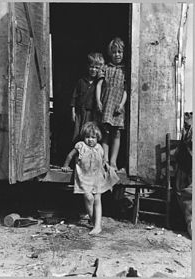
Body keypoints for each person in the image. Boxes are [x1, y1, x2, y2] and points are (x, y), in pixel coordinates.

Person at [62, 121, 119, 235]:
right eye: (87, 137)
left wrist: (106, 168)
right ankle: (93, 220)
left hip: (96, 176)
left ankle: (97, 226)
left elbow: (102, 160)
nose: (90, 140)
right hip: (84, 176)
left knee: (97, 199)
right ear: (84, 137)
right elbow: (70, 155)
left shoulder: (99, 148)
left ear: (97, 138)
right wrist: (65, 165)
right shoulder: (80, 146)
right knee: (88, 198)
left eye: (93, 137)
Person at [96, 37, 127, 172]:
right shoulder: (105, 68)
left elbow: (126, 90)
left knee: (117, 133)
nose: (117, 55)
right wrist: (98, 100)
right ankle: (105, 160)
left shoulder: (125, 70)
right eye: (114, 52)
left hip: (118, 106)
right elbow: (99, 85)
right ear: (110, 53)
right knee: (106, 132)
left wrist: (121, 104)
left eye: (119, 52)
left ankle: (113, 161)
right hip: (106, 104)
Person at [71, 53, 105, 143]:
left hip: (91, 114)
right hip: (79, 113)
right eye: (91, 67)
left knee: (89, 134)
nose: (93, 70)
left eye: (97, 68)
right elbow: (74, 96)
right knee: (77, 134)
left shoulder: (99, 84)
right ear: (88, 66)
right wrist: (73, 111)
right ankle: (78, 155)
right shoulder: (81, 81)